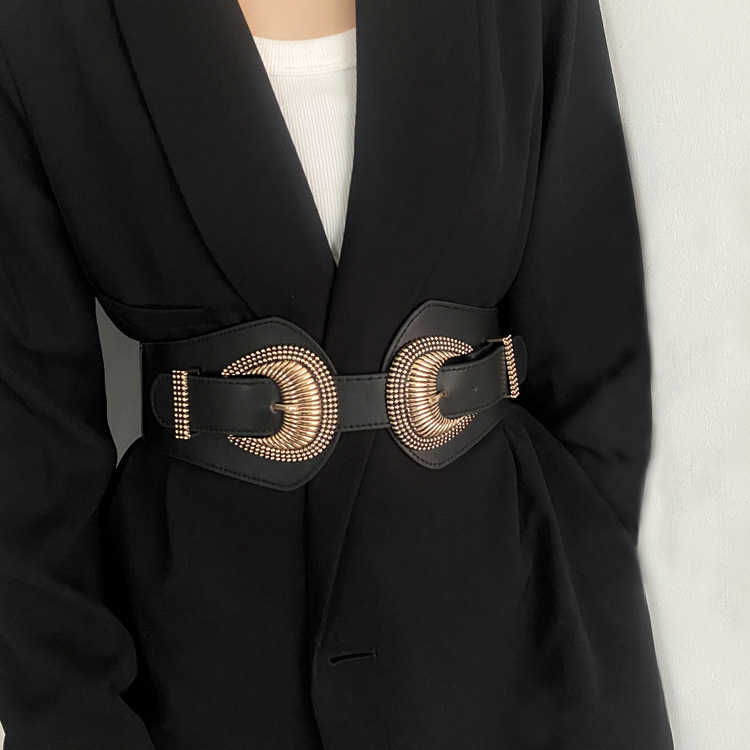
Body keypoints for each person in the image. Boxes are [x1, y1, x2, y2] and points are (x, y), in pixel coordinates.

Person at [0, 0, 674, 747]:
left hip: (519, 657)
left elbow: (593, 347)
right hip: (210, 675)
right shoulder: (39, 25)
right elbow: (28, 464)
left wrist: (598, 634)